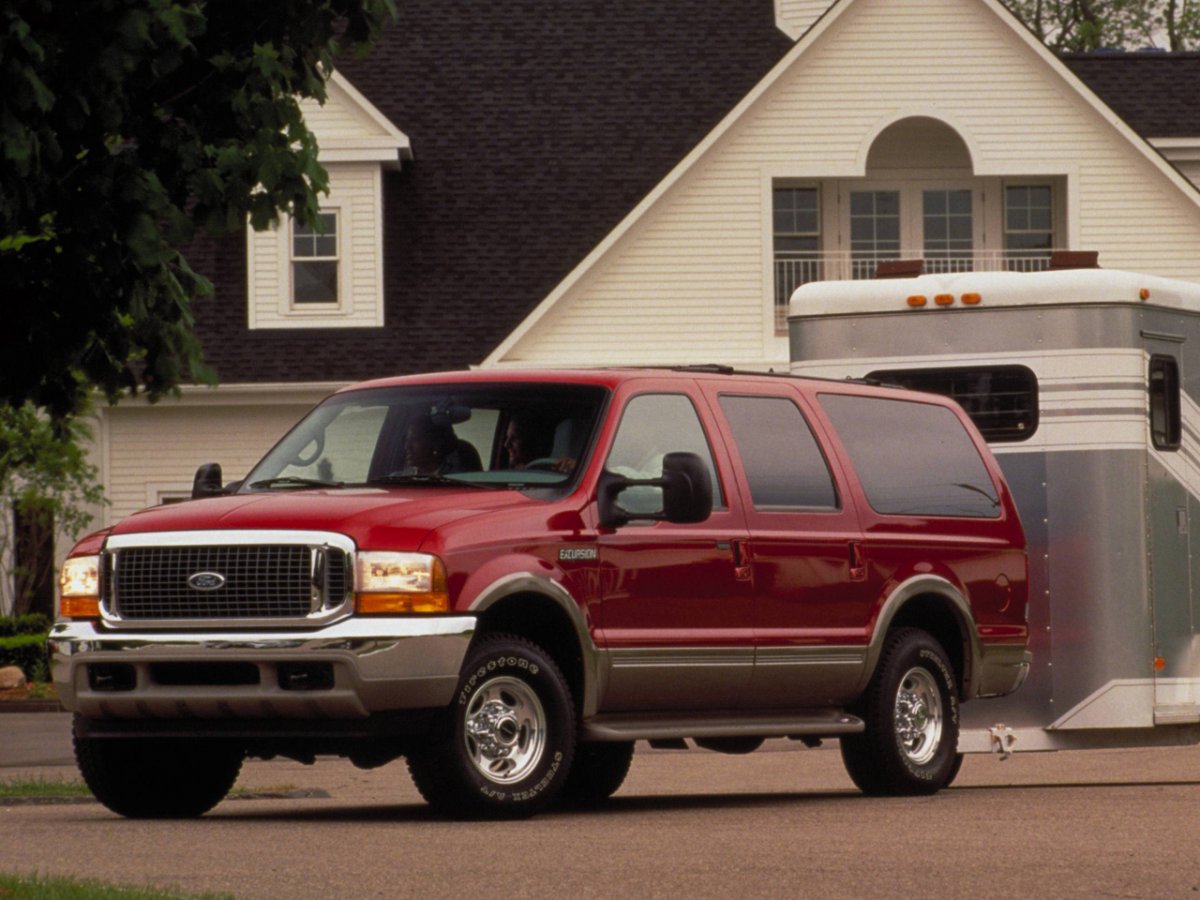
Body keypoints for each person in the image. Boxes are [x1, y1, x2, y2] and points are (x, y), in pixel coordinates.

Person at [402, 416, 480, 475]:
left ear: (436, 445)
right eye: (407, 440)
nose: (407, 446)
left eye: (416, 440)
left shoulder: (458, 481)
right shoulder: (398, 479)